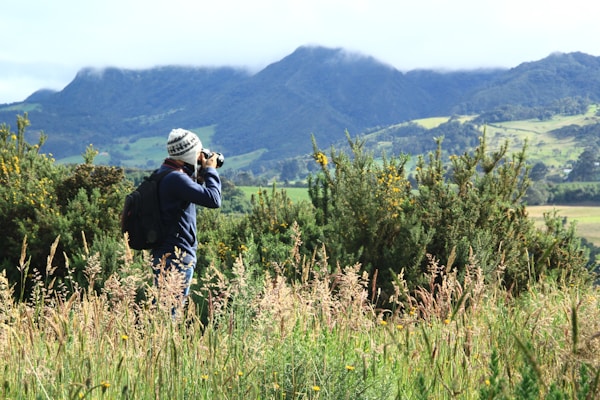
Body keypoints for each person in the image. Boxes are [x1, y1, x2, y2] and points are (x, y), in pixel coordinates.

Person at [151, 128, 222, 311]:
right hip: (177, 255)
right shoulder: (176, 178)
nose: (201, 156)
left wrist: (198, 176)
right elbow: (214, 199)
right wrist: (211, 171)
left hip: (164, 252)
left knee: (162, 312)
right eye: (199, 152)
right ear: (189, 152)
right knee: (170, 314)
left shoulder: (164, 173)